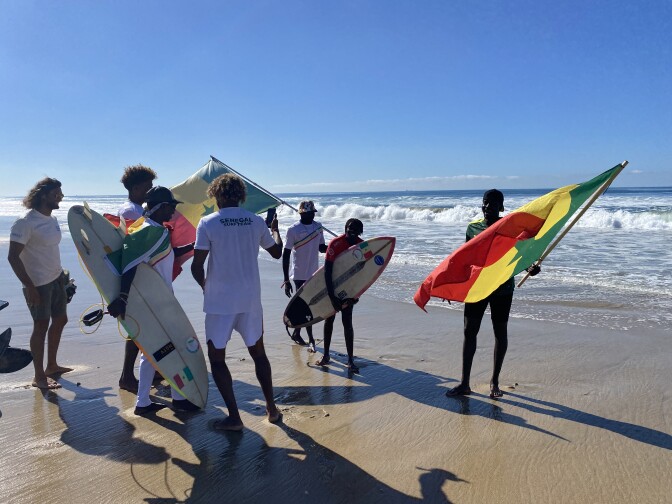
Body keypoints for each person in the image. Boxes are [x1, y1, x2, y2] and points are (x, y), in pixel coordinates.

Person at [191, 173, 282, 431]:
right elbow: (276, 252)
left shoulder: (208, 223)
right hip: (251, 301)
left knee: (218, 360)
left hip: (220, 304)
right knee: (259, 354)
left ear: (216, 195)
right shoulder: (255, 222)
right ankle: (271, 409)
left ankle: (234, 417)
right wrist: (275, 229)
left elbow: (197, 266)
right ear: (241, 196)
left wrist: (206, 289)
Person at [107, 186, 196, 415]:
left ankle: (145, 402)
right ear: (162, 206)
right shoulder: (147, 231)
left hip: (162, 300)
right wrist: (123, 297)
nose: (174, 212)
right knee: (167, 349)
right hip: (155, 303)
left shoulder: (155, 230)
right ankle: (171, 399)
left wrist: (196, 246)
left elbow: (168, 254)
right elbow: (130, 264)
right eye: (172, 207)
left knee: (155, 352)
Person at [446, 189, 540, 399]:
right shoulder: (473, 228)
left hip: (502, 289)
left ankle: (494, 380)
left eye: (493, 203)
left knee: (500, 333)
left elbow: (521, 255)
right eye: (485, 202)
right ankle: (464, 383)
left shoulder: (510, 229)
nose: (488, 206)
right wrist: (452, 287)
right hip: (477, 287)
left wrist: (530, 268)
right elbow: (465, 259)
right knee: (470, 332)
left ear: (502, 207)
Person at [8, 178, 72, 390]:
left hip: (56, 279)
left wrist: (63, 278)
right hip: (37, 284)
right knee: (40, 326)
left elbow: (49, 249)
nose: (60, 197)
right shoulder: (25, 222)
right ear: (43, 195)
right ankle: (39, 377)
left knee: (61, 319)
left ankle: (51, 365)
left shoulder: (52, 219)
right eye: (56, 194)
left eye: (60, 194)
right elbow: (13, 257)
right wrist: (30, 286)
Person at [117, 164, 158, 392]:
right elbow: (138, 248)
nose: (150, 191)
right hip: (136, 277)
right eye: (146, 187)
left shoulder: (132, 208)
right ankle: (127, 376)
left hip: (138, 276)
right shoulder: (133, 212)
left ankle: (149, 369)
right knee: (138, 328)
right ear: (134, 188)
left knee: (142, 326)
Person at [315, 218, 364, 373]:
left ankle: (350, 359)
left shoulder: (362, 246)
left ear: (360, 232)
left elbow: (364, 274)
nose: (351, 231)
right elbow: (327, 272)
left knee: (347, 322)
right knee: (329, 320)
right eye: (349, 228)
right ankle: (326, 355)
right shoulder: (335, 244)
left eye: (355, 229)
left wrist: (355, 296)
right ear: (345, 228)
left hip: (349, 291)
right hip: (332, 288)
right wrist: (331, 295)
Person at [282, 200, 327, 351]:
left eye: (312, 213)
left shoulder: (318, 227)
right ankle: (311, 339)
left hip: (314, 273)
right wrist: (286, 279)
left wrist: (339, 245)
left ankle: (296, 333)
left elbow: (321, 248)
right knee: (306, 306)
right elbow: (286, 254)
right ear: (301, 213)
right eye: (307, 214)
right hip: (299, 274)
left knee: (308, 306)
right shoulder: (293, 230)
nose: (310, 216)